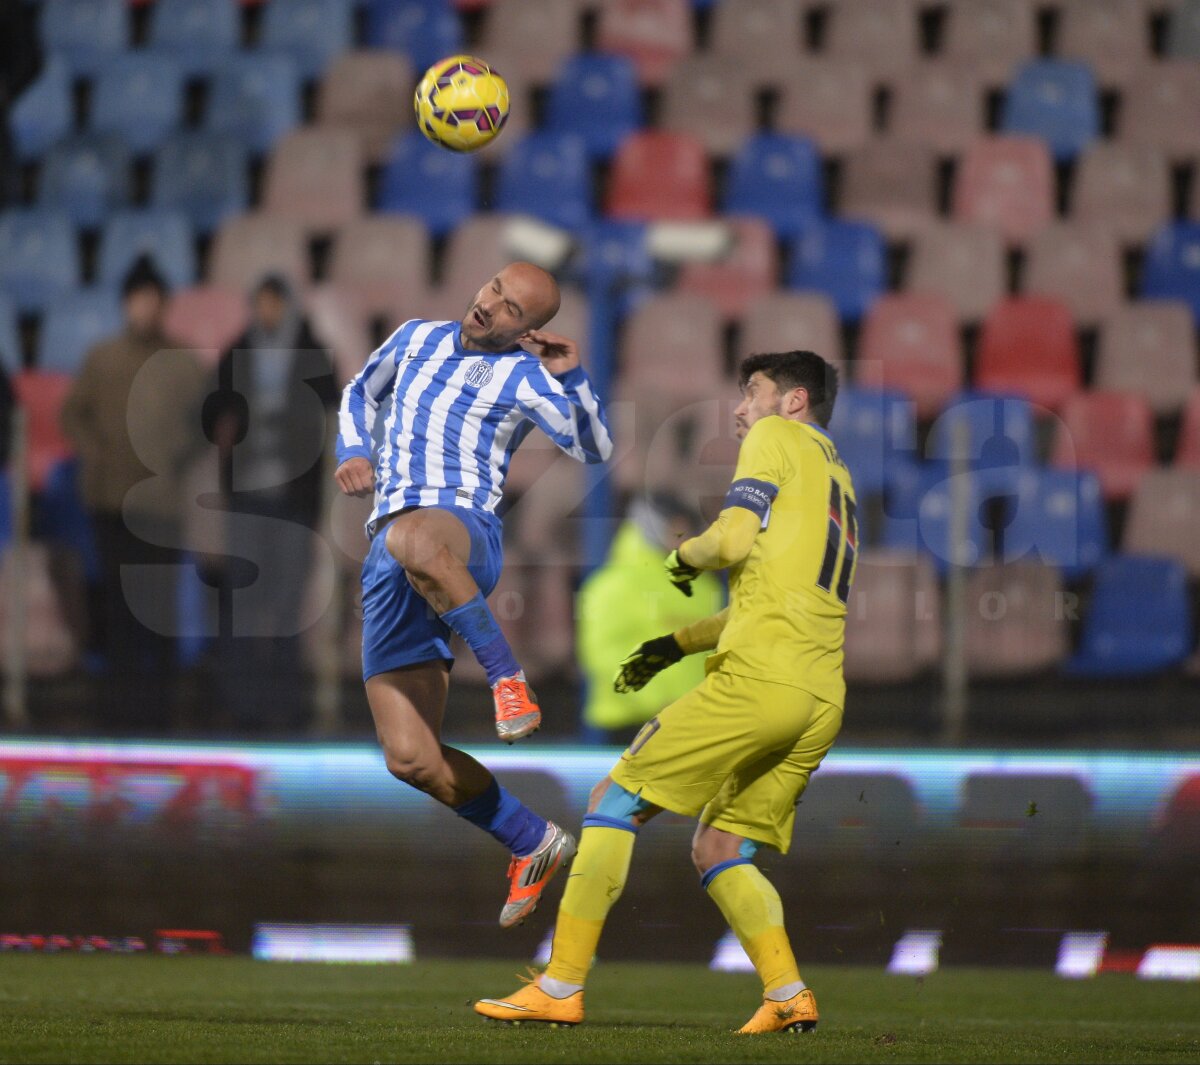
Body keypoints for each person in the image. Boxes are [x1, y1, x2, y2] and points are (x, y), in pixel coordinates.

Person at [475, 350, 856, 1033]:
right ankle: (787, 992)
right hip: (820, 695)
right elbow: (774, 598)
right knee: (717, 847)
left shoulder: (776, 439)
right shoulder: (837, 477)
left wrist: (683, 556)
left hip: (760, 681)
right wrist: (675, 644)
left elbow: (732, 540)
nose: (741, 409)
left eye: (754, 393)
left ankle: (560, 985)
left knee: (613, 798)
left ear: (793, 400)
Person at [334, 262, 613, 928]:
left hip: (463, 530)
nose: (490, 305)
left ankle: (507, 677)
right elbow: (357, 391)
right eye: (493, 289)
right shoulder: (413, 339)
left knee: (411, 537)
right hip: (392, 556)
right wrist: (353, 446)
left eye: (512, 308)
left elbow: (595, 447)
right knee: (410, 756)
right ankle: (529, 839)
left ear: (529, 330)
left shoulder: (524, 376)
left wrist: (571, 376)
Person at [61, 255, 207, 730]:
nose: (144, 308)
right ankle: (119, 711)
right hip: (110, 503)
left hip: (162, 510)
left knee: (159, 612)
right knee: (120, 610)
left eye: (152, 298)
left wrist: (180, 460)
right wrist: (94, 452)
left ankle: (160, 712)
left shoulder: (185, 363)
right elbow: (72, 414)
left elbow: (208, 424)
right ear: (126, 304)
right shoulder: (102, 358)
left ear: (163, 304)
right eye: (136, 298)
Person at [203, 274, 339, 732]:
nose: (267, 312)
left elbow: (330, 414)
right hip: (245, 497)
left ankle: (283, 703)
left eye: (274, 303)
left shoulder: (313, 354)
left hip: (294, 501)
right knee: (241, 603)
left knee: (285, 605)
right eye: (260, 303)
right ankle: (238, 702)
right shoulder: (236, 351)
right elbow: (208, 410)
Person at [576, 492, 722, 744]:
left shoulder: (706, 587)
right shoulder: (613, 585)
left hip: (694, 723)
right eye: (676, 530)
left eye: (687, 530)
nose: (684, 538)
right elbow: (603, 655)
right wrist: (656, 701)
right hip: (630, 724)